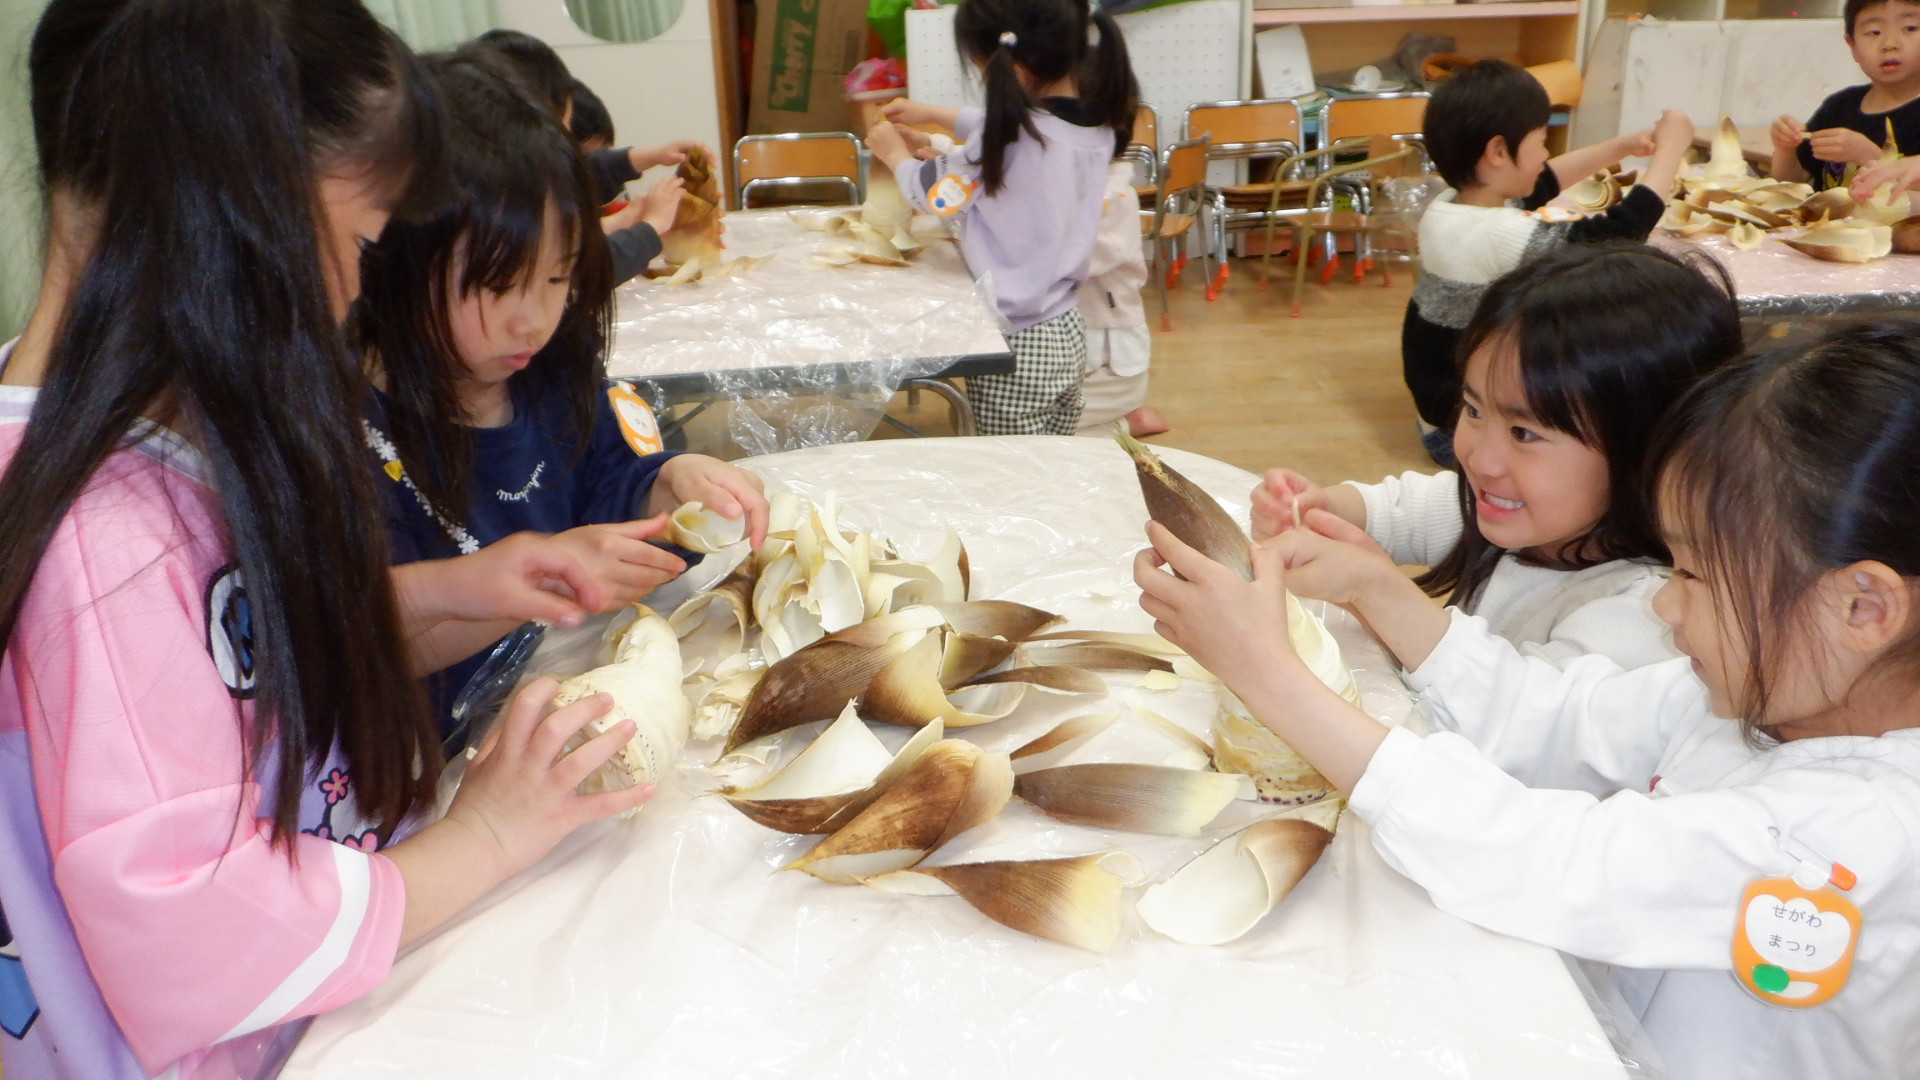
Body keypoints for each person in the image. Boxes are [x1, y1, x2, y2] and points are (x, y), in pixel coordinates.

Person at [0, 3, 651, 1078]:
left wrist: (460, 593)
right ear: (222, 210)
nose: (354, 292)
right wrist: (486, 835)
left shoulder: (163, 445)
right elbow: (197, 936)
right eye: (357, 245)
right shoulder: (104, 536)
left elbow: (264, 658)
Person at [1140, 317, 1920, 1080]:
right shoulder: (1768, 699)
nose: (1665, 604)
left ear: (1864, 608)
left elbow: (1555, 861)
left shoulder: (1864, 833)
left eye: (1694, 575)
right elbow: (1558, 719)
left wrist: (1272, 676)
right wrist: (1379, 589)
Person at [355, 52, 768, 739]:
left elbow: (611, 477)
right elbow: (369, 649)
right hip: (446, 761)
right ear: (384, 261)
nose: (535, 321)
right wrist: (542, 583)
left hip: (581, 708)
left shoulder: (552, 374)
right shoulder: (349, 439)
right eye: (498, 285)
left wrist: (667, 489)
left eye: (559, 278)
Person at [1252, 244, 1743, 677]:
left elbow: (1511, 716)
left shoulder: (1647, 615)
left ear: (1651, 447)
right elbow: (1408, 508)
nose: (1481, 459)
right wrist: (1321, 508)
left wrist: (1377, 594)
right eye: (1473, 410)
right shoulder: (1525, 512)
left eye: (1524, 433)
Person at [867, 0, 1138, 436]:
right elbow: (1010, 123)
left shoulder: (1007, 138)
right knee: (1051, 456)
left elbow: (937, 197)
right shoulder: (1097, 127)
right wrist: (934, 115)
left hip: (1017, 341)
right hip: (1069, 329)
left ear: (1011, 67)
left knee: (1010, 465)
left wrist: (895, 155)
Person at [1405, 59, 1693, 465]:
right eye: (1541, 142)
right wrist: (1671, 151)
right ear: (1498, 152)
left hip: (1442, 407)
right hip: (1461, 432)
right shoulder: (1494, 233)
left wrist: (1622, 147)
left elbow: (1541, 182)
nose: (1545, 154)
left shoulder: (1454, 205)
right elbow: (1620, 233)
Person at [460, 30, 701, 285]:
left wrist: (645, 164)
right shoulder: (503, 201)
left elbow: (578, 180)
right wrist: (651, 228)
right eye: (563, 126)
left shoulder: (487, 168)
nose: (565, 139)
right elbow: (579, 270)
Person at [1770, 0, 1920, 191]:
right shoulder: (1839, 106)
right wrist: (1785, 149)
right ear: (1852, 46)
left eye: (1910, 28)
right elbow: (1790, 183)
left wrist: (1868, 156)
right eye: (1874, 32)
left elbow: (1911, 198)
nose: (1890, 44)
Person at [1073, 154, 1166, 439]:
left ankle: (1123, 425)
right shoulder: (1070, 183)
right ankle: (1118, 421)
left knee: (1031, 433)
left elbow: (1073, 260)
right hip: (1076, 346)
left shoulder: (1115, 196)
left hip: (1108, 355)